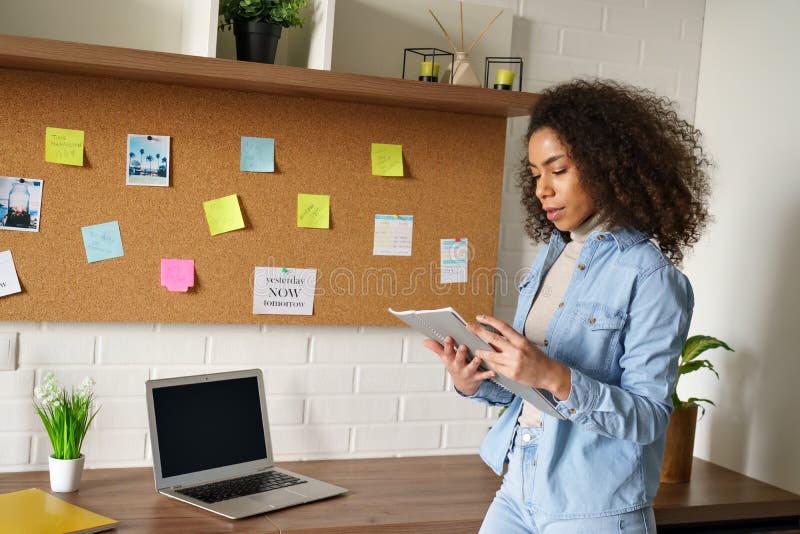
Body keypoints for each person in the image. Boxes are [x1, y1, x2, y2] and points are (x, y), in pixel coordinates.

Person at [424, 79, 711, 533]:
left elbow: (649, 418)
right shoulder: (552, 256)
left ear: (607, 167)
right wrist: (476, 380)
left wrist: (553, 375)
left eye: (558, 171)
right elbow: (528, 386)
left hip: (595, 507)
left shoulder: (654, 279)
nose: (543, 190)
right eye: (537, 174)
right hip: (519, 485)